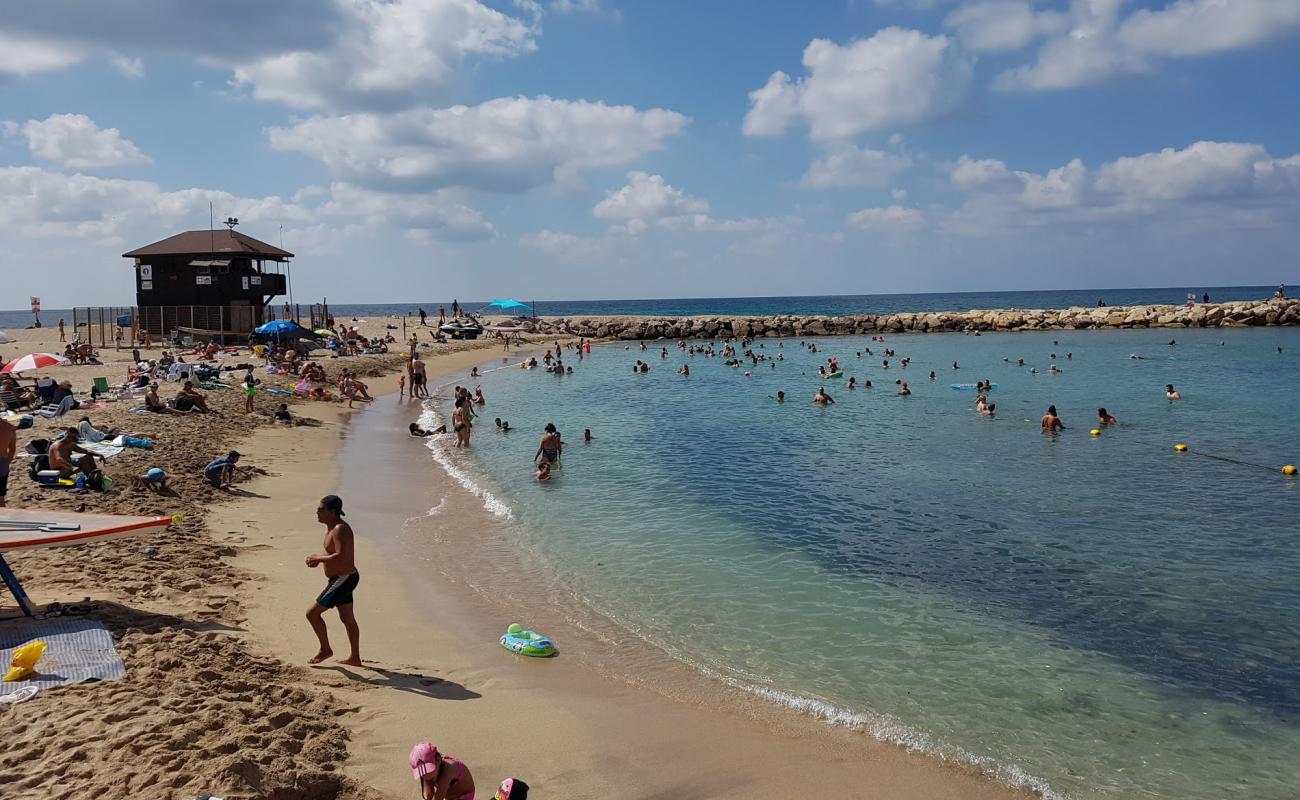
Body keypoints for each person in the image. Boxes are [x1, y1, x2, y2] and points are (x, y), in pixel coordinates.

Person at [305, 495, 361, 666]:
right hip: (343, 578)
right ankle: (355, 658)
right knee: (347, 618)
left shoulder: (339, 529)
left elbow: (341, 555)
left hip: (344, 578)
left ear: (333, 511)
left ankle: (325, 650)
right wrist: (320, 560)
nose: (317, 513)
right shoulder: (331, 527)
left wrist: (319, 559)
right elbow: (335, 555)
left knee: (312, 614)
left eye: (321, 510)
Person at [410, 742, 475, 800]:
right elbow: (429, 794)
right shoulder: (427, 774)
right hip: (449, 796)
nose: (425, 775)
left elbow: (438, 798)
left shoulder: (447, 772)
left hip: (464, 795)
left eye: (428, 770)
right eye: (422, 773)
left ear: (438, 759)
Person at [0, 416, 14, 507]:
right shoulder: (9, 427)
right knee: (1, 497)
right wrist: (7, 462)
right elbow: (12, 450)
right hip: (3, 463)